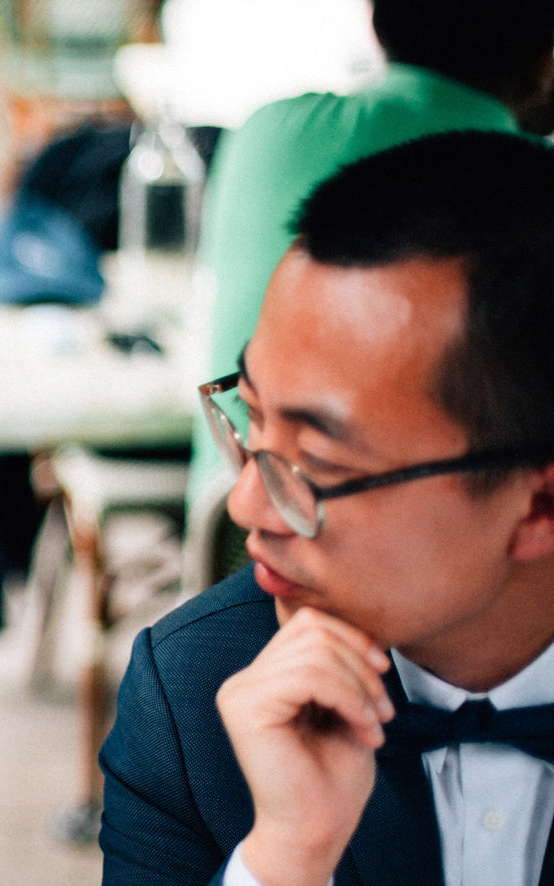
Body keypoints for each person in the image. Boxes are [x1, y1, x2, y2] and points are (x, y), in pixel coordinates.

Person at [72, 130, 554, 886]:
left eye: (317, 467)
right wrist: (283, 864)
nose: (248, 502)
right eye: (249, 416)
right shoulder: (199, 688)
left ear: (537, 502)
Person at [185, 0, 554, 519]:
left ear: (378, 22)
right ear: (542, 57)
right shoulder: (524, 192)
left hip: (221, 539)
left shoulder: (268, 130)